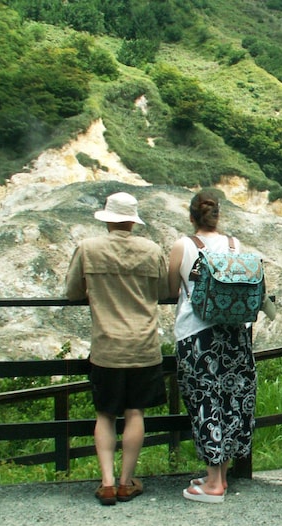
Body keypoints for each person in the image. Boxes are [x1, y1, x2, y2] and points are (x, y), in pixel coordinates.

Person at [65, 191, 168, 506]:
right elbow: (164, 290)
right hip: (143, 344)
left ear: (108, 218)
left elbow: (72, 293)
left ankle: (107, 483)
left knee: (105, 415)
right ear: (133, 221)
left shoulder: (88, 249)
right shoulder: (152, 250)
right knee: (135, 412)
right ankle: (126, 482)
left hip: (107, 346)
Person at [168, 189, 257, 504]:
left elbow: (170, 287)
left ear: (192, 216)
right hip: (235, 333)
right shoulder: (236, 245)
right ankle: (220, 474)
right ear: (218, 215)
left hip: (198, 334)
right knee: (232, 397)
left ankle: (214, 484)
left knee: (205, 399)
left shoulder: (184, 245)